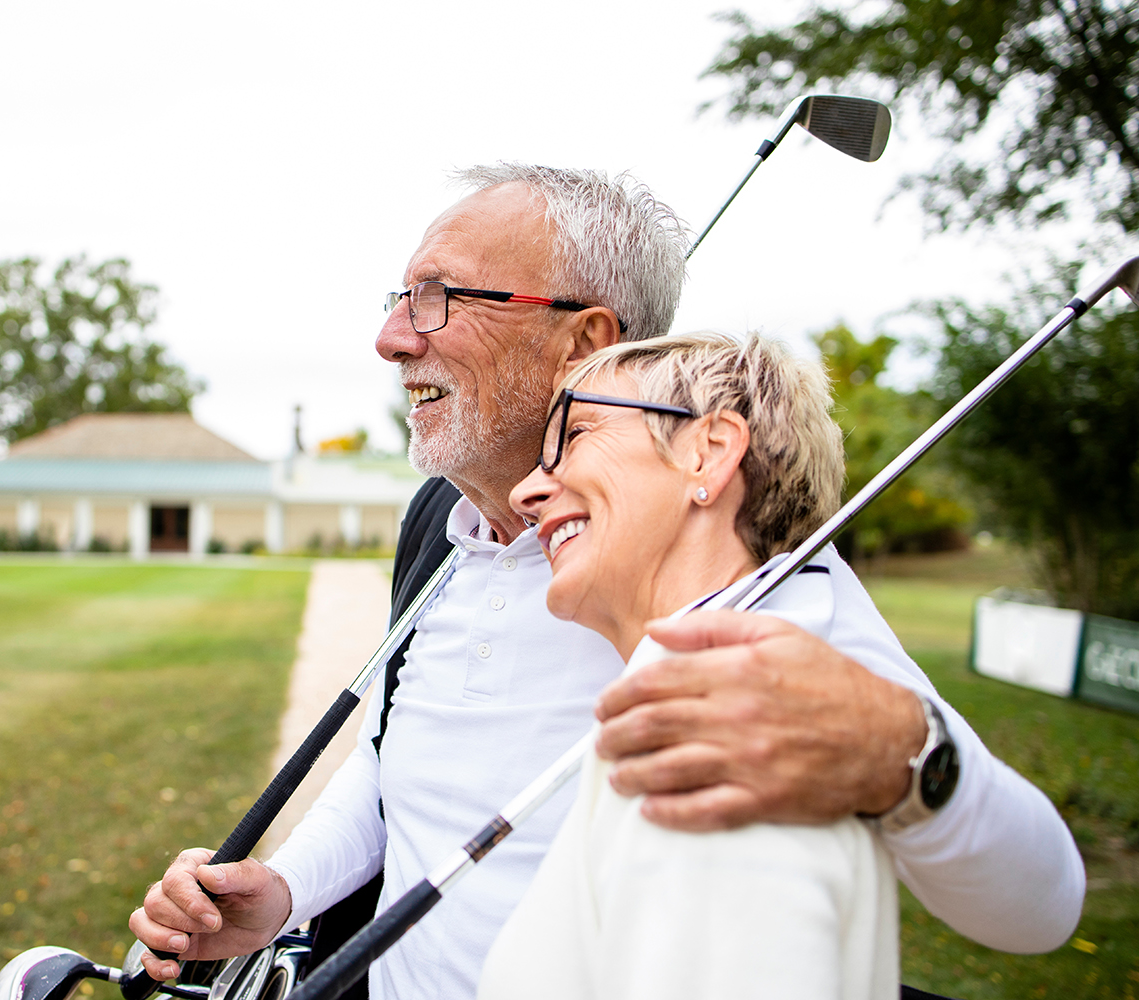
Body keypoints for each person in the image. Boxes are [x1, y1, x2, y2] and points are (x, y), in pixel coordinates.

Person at [129, 164, 1083, 999]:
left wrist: (900, 751)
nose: (391, 338)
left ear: (586, 342)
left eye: (436, 298)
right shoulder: (435, 520)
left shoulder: (758, 594)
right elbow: (399, 755)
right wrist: (289, 889)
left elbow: (1041, 901)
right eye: (396, 297)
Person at [484, 332, 902, 999]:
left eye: (576, 434)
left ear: (707, 453)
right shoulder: (699, 706)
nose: (527, 491)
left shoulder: (728, 752)